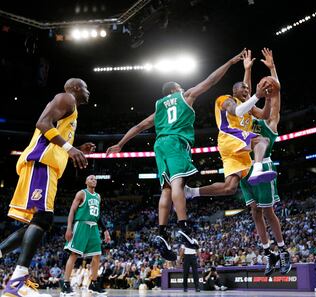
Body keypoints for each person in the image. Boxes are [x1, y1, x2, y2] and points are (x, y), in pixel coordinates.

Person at [106, 50, 245, 261]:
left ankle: (161, 234)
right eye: (179, 85)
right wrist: (230, 62)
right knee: (179, 184)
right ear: (174, 89)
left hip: (160, 145)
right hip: (176, 142)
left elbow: (140, 125)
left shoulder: (159, 107)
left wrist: (120, 144)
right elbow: (210, 80)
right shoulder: (185, 95)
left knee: (167, 189)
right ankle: (183, 228)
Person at [0, 78, 94, 297]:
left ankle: (15, 279)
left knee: (40, 221)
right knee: (43, 219)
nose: (89, 92)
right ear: (76, 88)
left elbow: (54, 137)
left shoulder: (71, 111)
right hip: (40, 163)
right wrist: (71, 149)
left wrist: (76, 148)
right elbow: (43, 124)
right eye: (86, 88)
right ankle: (17, 283)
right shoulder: (66, 98)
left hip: (46, 167)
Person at [185, 50, 275, 200]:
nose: (246, 90)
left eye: (248, 89)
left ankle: (191, 192)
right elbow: (237, 111)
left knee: (230, 188)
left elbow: (265, 115)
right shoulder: (225, 99)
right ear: (234, 91)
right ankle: (258, 169)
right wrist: (257, 94)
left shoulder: (249, 107)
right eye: (243, 88)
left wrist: (267, 99)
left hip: (236, 148)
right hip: (230, 137)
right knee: (262, 140)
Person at [235, 48, 290, 276]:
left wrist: (272, 69)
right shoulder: (246, 118)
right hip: (244, 168)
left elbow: (275, 94)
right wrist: (247, 70)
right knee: (254, 213)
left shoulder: (271, 121)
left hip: (263, 166)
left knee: (268, 212)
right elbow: (247, 96)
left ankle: (283, 250)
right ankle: (269, 253)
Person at [61, 175, 111, 296]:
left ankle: (93, 284)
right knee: (74, 254)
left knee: (97, 255)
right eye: (91, 179)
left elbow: (98, 216)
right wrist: (69, 227)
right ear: (86, 182)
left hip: (93, 226)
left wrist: (105, 230)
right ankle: (65, 285)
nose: (94, 180)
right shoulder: (81, 193)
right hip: (81, 225)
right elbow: (72, 210)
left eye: (95, 179)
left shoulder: (98, 197)